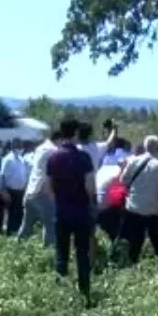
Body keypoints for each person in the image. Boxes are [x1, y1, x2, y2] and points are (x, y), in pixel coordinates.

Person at [46, 117, 97, 300]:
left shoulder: (53, 158)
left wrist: (58, 202)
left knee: (61, 254)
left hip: (62, 211)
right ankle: (85, 294)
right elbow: (90, 187)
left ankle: (59, 293)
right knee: (82, 254)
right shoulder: (83, 157)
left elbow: (49, 186)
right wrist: (90, 201)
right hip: (81, 211)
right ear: (76, 133)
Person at [117, 136, 158, 264]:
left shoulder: (134, 161)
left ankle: (132, 266)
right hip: (153, 209)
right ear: (157, 148)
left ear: (145, 147)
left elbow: (122, 180)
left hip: (134, 207)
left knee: (135, 243)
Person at [17, 135, 59, 247]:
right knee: (51, 225)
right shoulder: (53, 150)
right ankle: (49, 254)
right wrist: (51, 196)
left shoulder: (40, 148)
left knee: (26, 226)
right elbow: (48, 175)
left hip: (30, 192)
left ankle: (17, 247)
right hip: (42, 192)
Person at [0, 139, 29, 234]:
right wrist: (4, 191)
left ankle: (17, 233)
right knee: (12, 215)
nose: (20, 148)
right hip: (11, 191)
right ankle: (10, 233)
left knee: (19, 214)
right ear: (13, 146)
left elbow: (24, 175)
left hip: (21, 191)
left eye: (21, 146)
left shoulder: (22, 159)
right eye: (18, 146)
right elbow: (2, 176)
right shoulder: (7, 159)